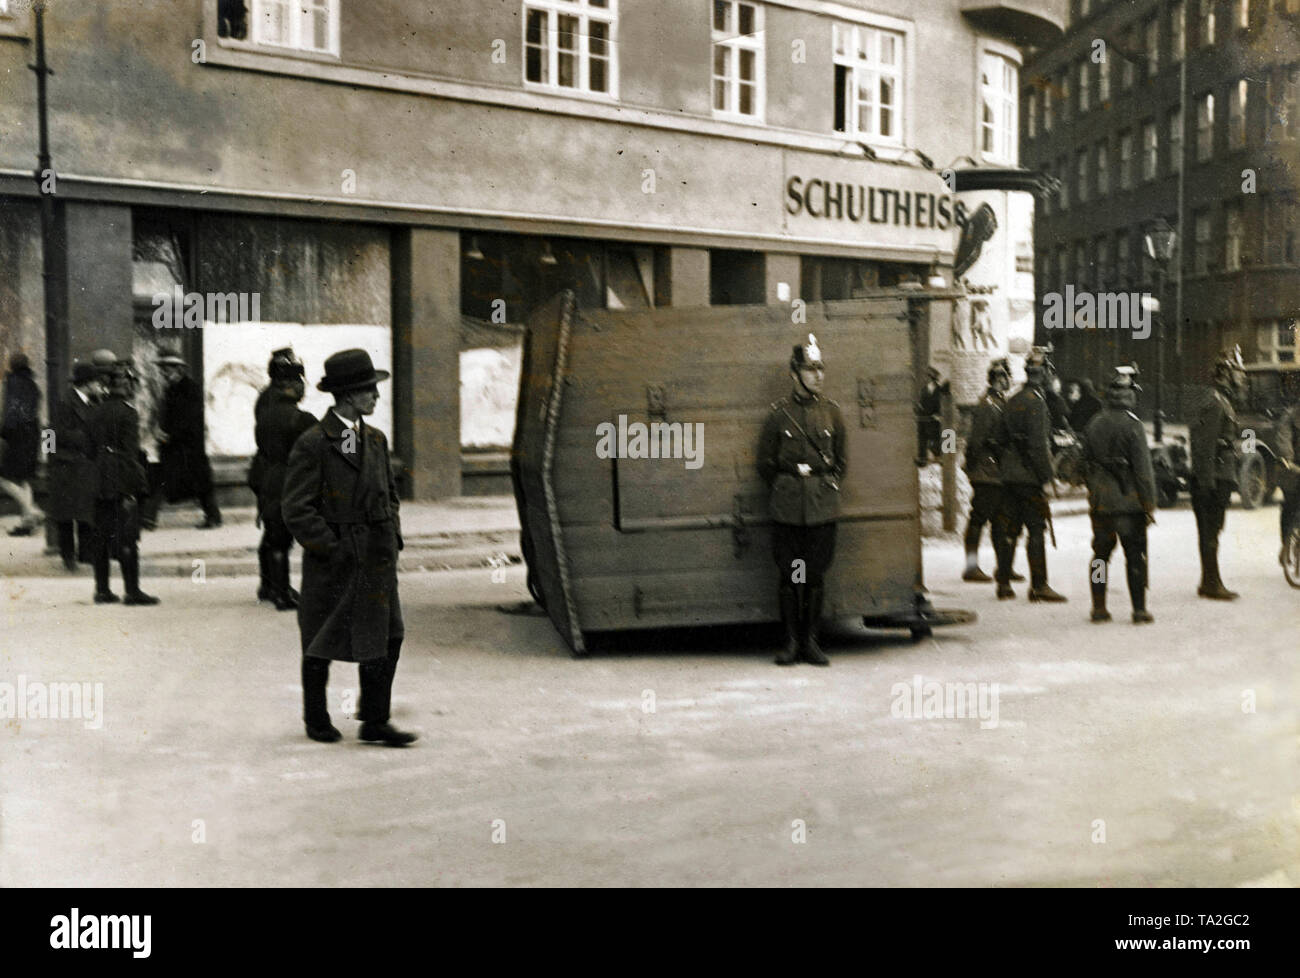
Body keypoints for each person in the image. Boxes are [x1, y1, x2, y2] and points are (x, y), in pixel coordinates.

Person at [282, 349, 415, 746]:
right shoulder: (314, 442)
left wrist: (391, 532)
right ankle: (315, 717)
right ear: (347, 396)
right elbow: (296, 507)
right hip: (335, 560)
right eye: (369, 390)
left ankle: (375, 721)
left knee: (387, 637)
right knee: (320, 639)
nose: (375, 396)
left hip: (375, 556)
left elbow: (390, 494)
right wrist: (331, 546)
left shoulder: (375, 439)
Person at [757, 334, 847, 666]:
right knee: (792, 576)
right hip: (789, 512)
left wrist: (827, 488)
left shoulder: (833, 414)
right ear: (794, 373)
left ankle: (811, 642)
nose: (818, 375)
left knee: (815, 577)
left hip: (821, 510)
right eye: (810, 369)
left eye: (820, 368)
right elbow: (765, 464)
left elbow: (841, 463)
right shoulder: (779, 415)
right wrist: (788, 486)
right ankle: (791, 643)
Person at [1081, 366, 1157, 624]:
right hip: (1129, 502)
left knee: (1100, 556)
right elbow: (1144, 471)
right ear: (1129, 395)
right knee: (1135, 555)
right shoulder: (1134, 426)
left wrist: (1094, 488)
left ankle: (1099, 607)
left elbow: (1083, 463)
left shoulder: (1094, 423)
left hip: (1101, 501)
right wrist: (1149, 504)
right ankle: (1138, 609)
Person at [991, 347, 1067, 602]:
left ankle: (1003, 583)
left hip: (1010, 476)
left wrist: (1008, 465)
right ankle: (1039, 586)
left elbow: (999, 439)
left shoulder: (1013, 399)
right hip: (1029, 477)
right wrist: (1047, 478)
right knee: (1036, 529)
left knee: (1010, 528)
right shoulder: (1037, 402)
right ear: (1043, 373)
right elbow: (1038, 445)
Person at [90, 355, 158, 606]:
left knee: (101, 536)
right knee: (127, 536)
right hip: (120, 475)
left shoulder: (95, 410)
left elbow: (89, 446)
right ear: (127, 385)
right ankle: (132, 591)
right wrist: (135, 487)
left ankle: (102, 590)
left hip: (99, 477)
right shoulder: (128, 413)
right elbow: (130, 453)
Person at [252, 348, 315, 610]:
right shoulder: (301, 419)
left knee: (271, 532)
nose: (303, 388)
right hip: (288, 479)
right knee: (281, 538)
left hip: (265, 474)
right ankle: (281, 593)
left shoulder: (264, 408)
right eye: (300, 382)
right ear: (289, 383)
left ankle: (268, 586)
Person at [1189, 347, 1246, 600]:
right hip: (1212, 479)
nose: (1241, 377)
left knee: (1213, 531)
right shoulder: (1214, 401)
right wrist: (1206, 482)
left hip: (1220, 476)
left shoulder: (1222, 400)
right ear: (1224, 373)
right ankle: (1211, 583)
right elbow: (1204, 446)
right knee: (1210, 531)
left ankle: (1209, 580)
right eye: (1237, 372)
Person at [961, 357, 1023, 583]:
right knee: (978, 518)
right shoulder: (988, 405)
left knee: (1000, 521)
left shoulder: (998, 402)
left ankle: (1003, 568)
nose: (1010, 380)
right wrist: (972, 466)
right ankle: (970, 567)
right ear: (999, 378)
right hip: (986, 471)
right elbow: (977, 440)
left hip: (998, 471)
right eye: (1007, 376)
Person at [47, 360, 103, 571]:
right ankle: (68, 557)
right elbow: (50, 435)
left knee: (85, 511)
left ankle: (85, 555)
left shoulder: (93, 402)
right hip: (66, 466)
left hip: (84, 466)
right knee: (66, 516)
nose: (100, 386)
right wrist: (53, 463)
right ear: (88, 383)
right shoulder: (65, 402)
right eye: (97, 382)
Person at [157, 353, 223, 529]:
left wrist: (170, 434)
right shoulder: (172, 388)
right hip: (179, 444)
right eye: (162, 369)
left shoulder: (189, 388)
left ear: (178, 369)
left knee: (201, 482)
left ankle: (213, 517)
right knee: (193, 480)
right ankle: (212, 516)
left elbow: (189, 417)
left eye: (166, 369)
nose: (163, 372)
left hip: (190, 444)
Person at [0, 353, 43, 536]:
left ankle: (32, 509)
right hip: (32, 436)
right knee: (24, 478)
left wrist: (3, 432)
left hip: (17, 437)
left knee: (4, 479)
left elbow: (11, 412)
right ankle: (28, 522)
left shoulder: (12, 383)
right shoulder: (32, 384)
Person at [1276, 396, 1300, 562]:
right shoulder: (1290, 416)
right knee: (1290, 506)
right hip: (1293, 469)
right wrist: (1288, 459)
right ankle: (1285, 544)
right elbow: (1284, 440)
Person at [915, 367, 945, 464]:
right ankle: (922, 457)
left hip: (935, 420)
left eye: (927, 376)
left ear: (931, 377)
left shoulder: (940, 390)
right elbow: (921, 403)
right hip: (924, 419)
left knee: (935, 438)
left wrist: (938, 415)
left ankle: (938, 457)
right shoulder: (924, 389)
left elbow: (942, 405)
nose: (925, 378)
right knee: (922, 438)